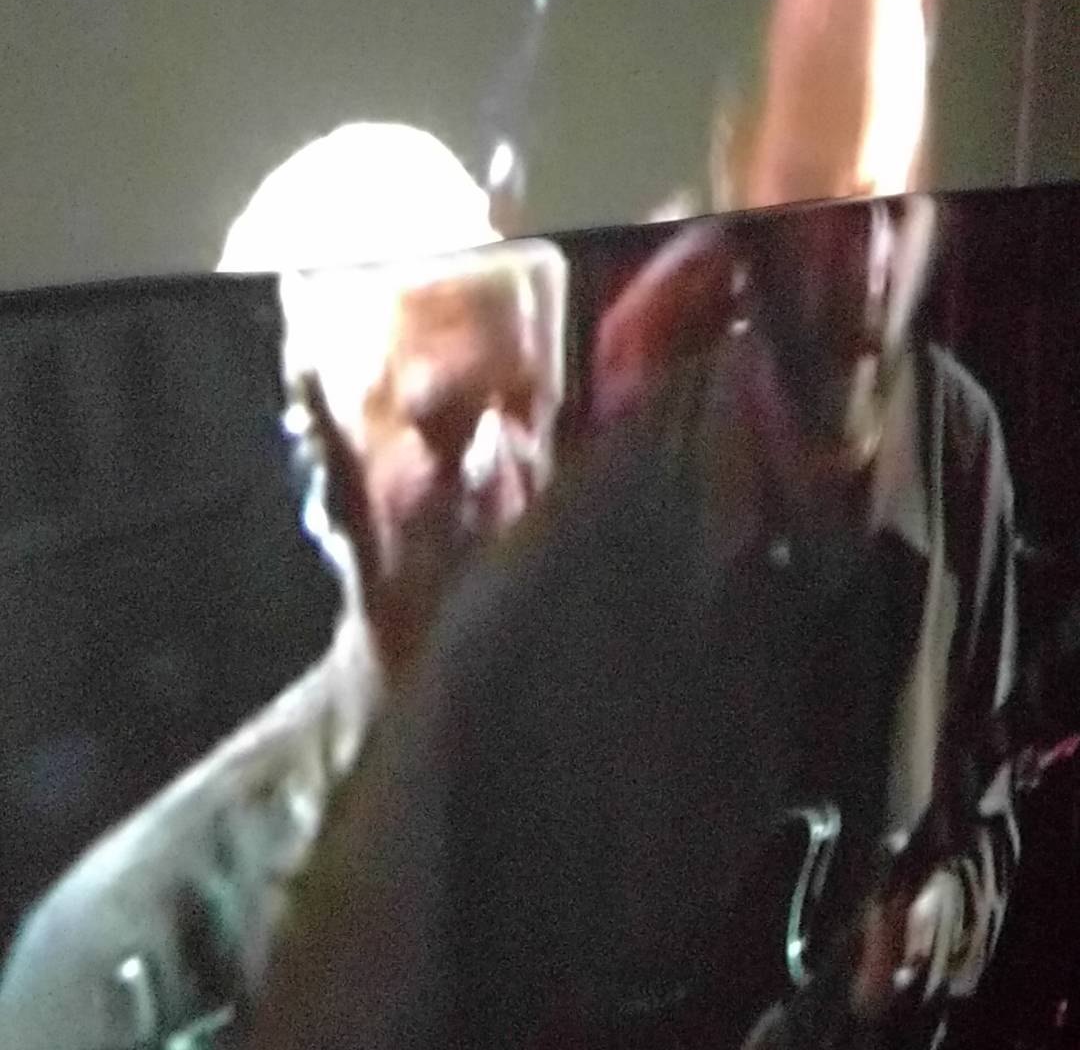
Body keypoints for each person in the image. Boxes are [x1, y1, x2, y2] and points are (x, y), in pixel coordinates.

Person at [246, 193, 1017, 1050]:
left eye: (902, 210)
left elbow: (991, 814)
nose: (872, 259)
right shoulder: (639, 478)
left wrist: (935, 935)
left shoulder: (959, 445)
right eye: (837, 213)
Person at [0, 126, 567, 1050]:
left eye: (526, 407)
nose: (503, 473)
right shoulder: (122, 965)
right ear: (317, 460)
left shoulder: (637, 776)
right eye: (443, 423)